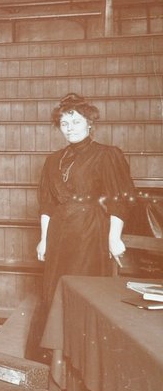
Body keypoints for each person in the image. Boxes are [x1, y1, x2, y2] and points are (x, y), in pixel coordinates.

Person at [36, 93, 135, 306]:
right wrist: (44, 239)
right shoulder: (52, 160)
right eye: (64, 123)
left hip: (90, 232)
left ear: (89, 124)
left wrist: (114, 238)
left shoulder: (107, 154)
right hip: (58, 232)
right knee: (56, 293)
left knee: (84, 293)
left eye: (76, 122)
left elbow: (119, 199)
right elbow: (47, 204)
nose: (70, 128)